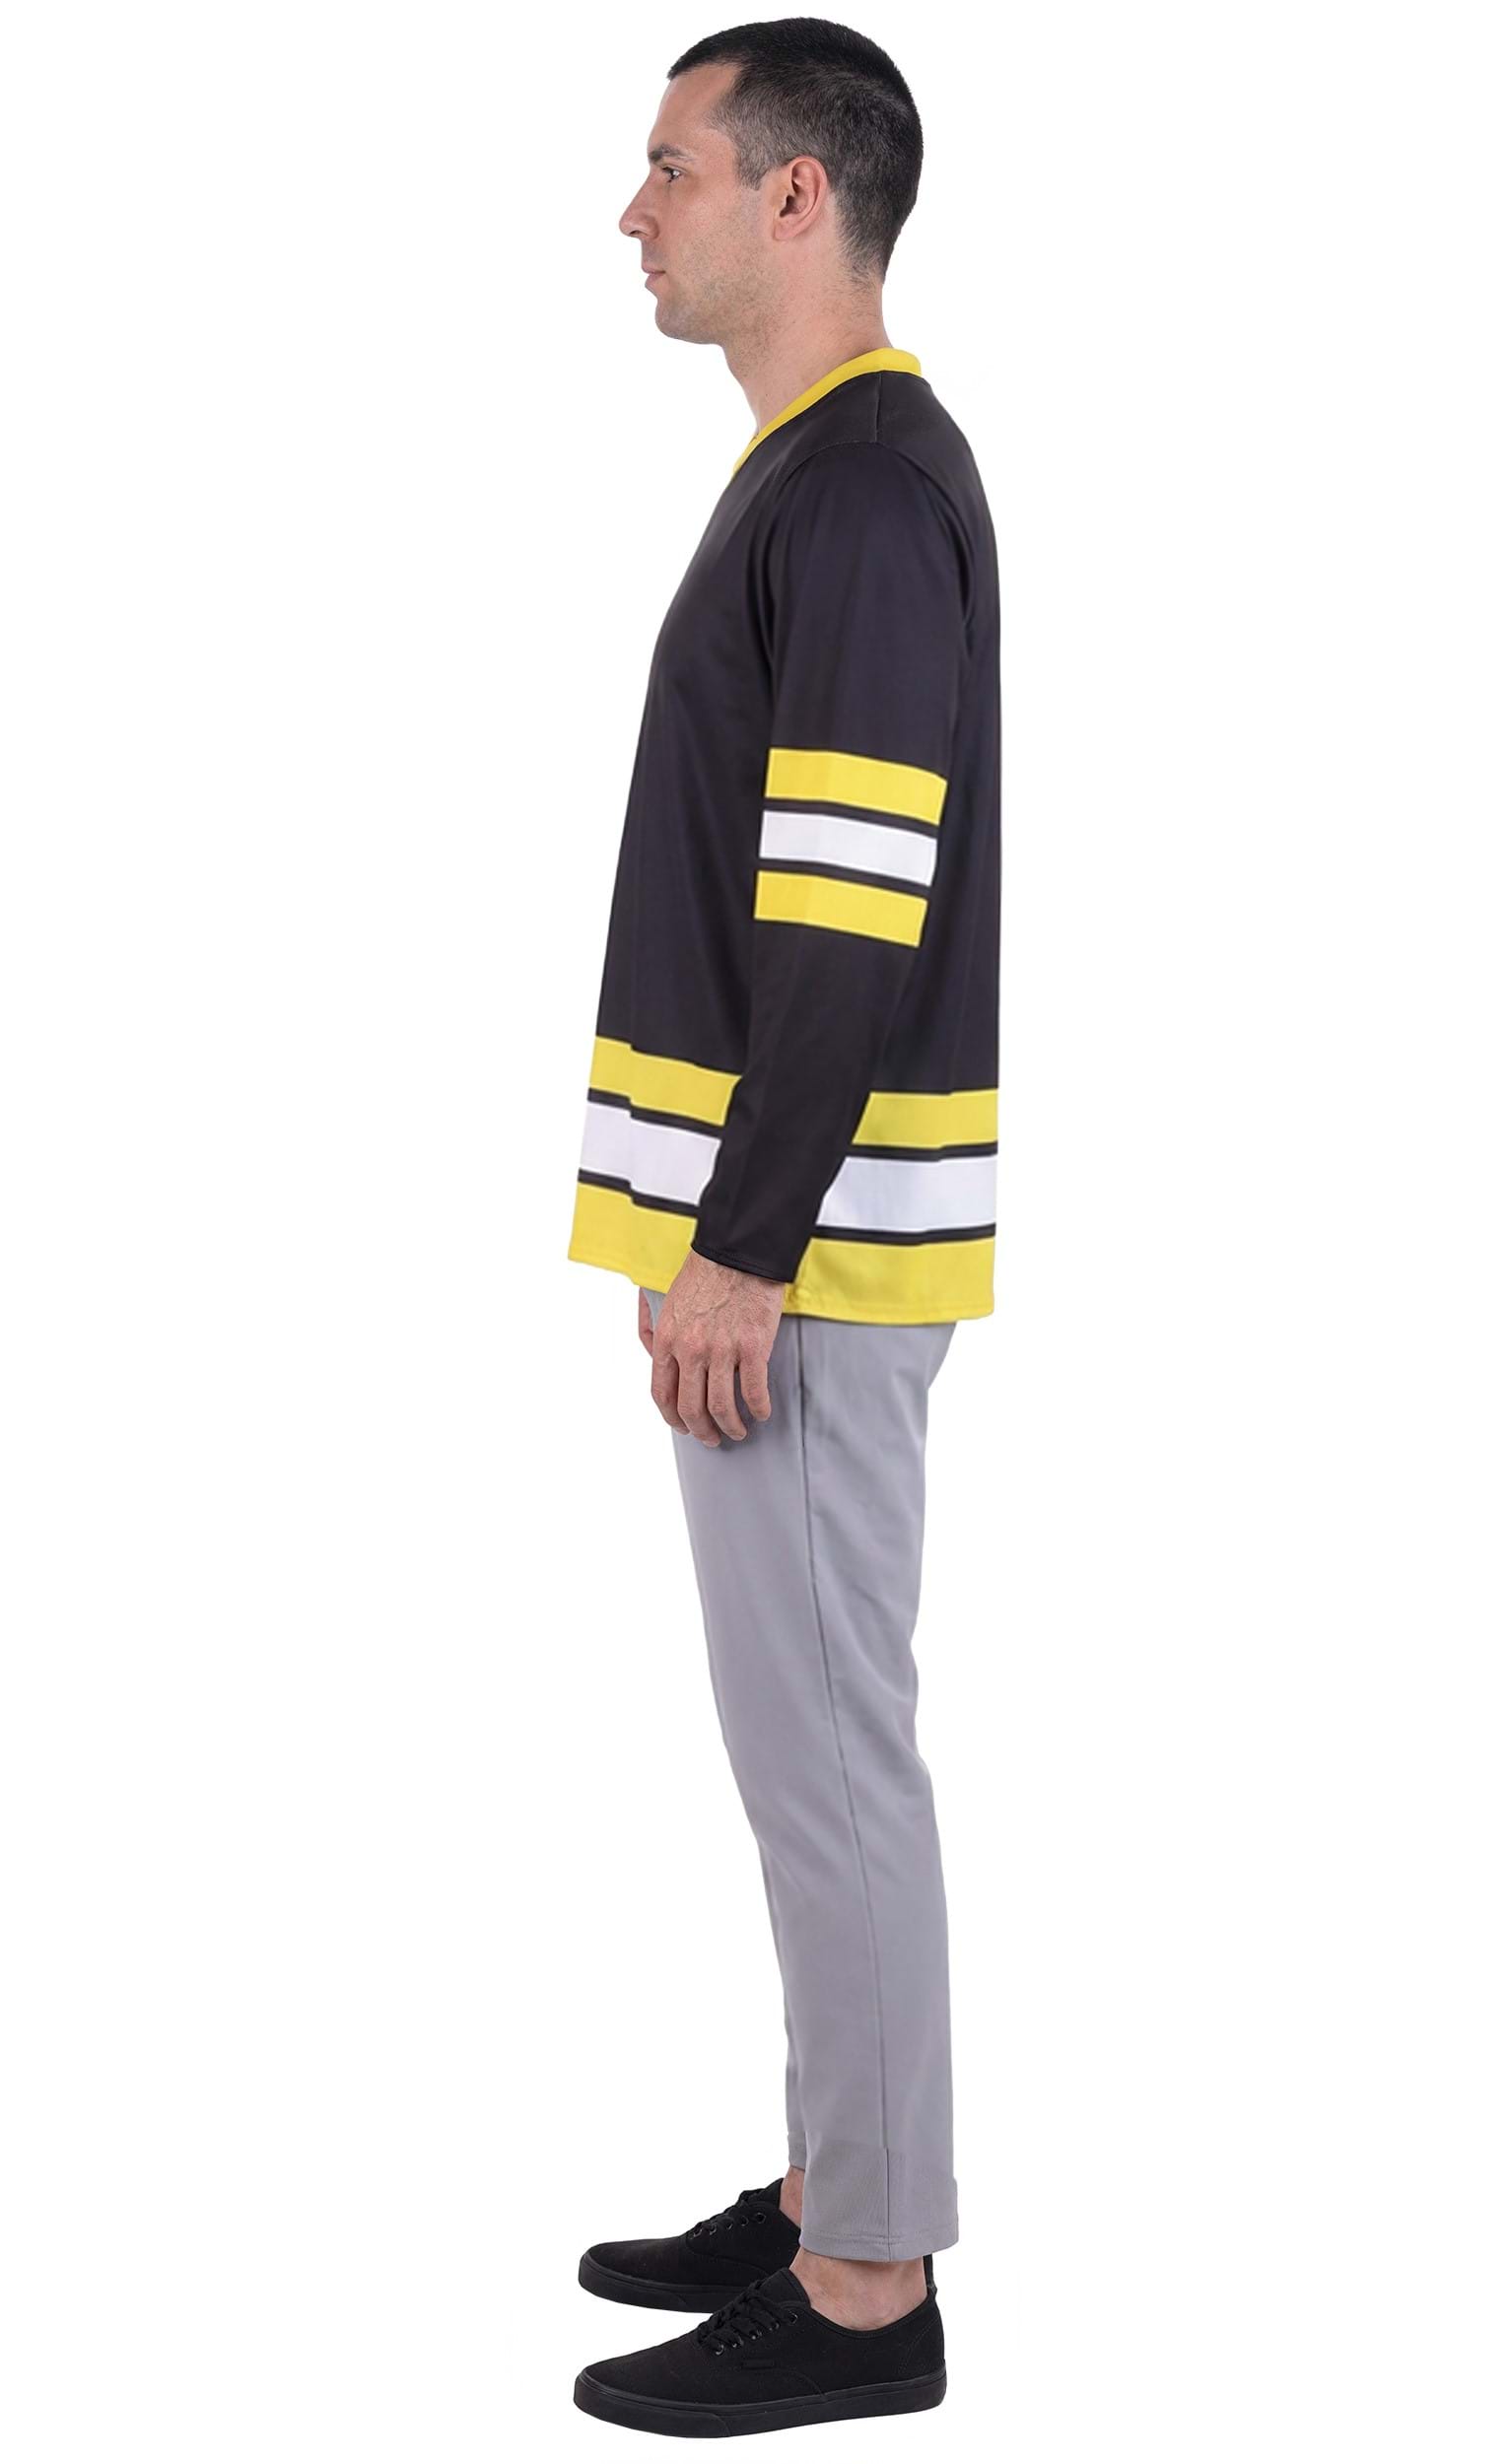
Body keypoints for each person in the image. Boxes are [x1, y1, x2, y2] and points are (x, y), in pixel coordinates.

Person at [564, 18, 1000, 2435]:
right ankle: (842, 2173)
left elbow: (843, 904)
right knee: (805, 1749)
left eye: (669, 168)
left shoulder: (854, 492)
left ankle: (865, 2288)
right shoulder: (820, 481)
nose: (633, 212)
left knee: (830, 1755)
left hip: (802, 1256)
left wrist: (739, 1242)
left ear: (794, 197)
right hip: (777, 1239)